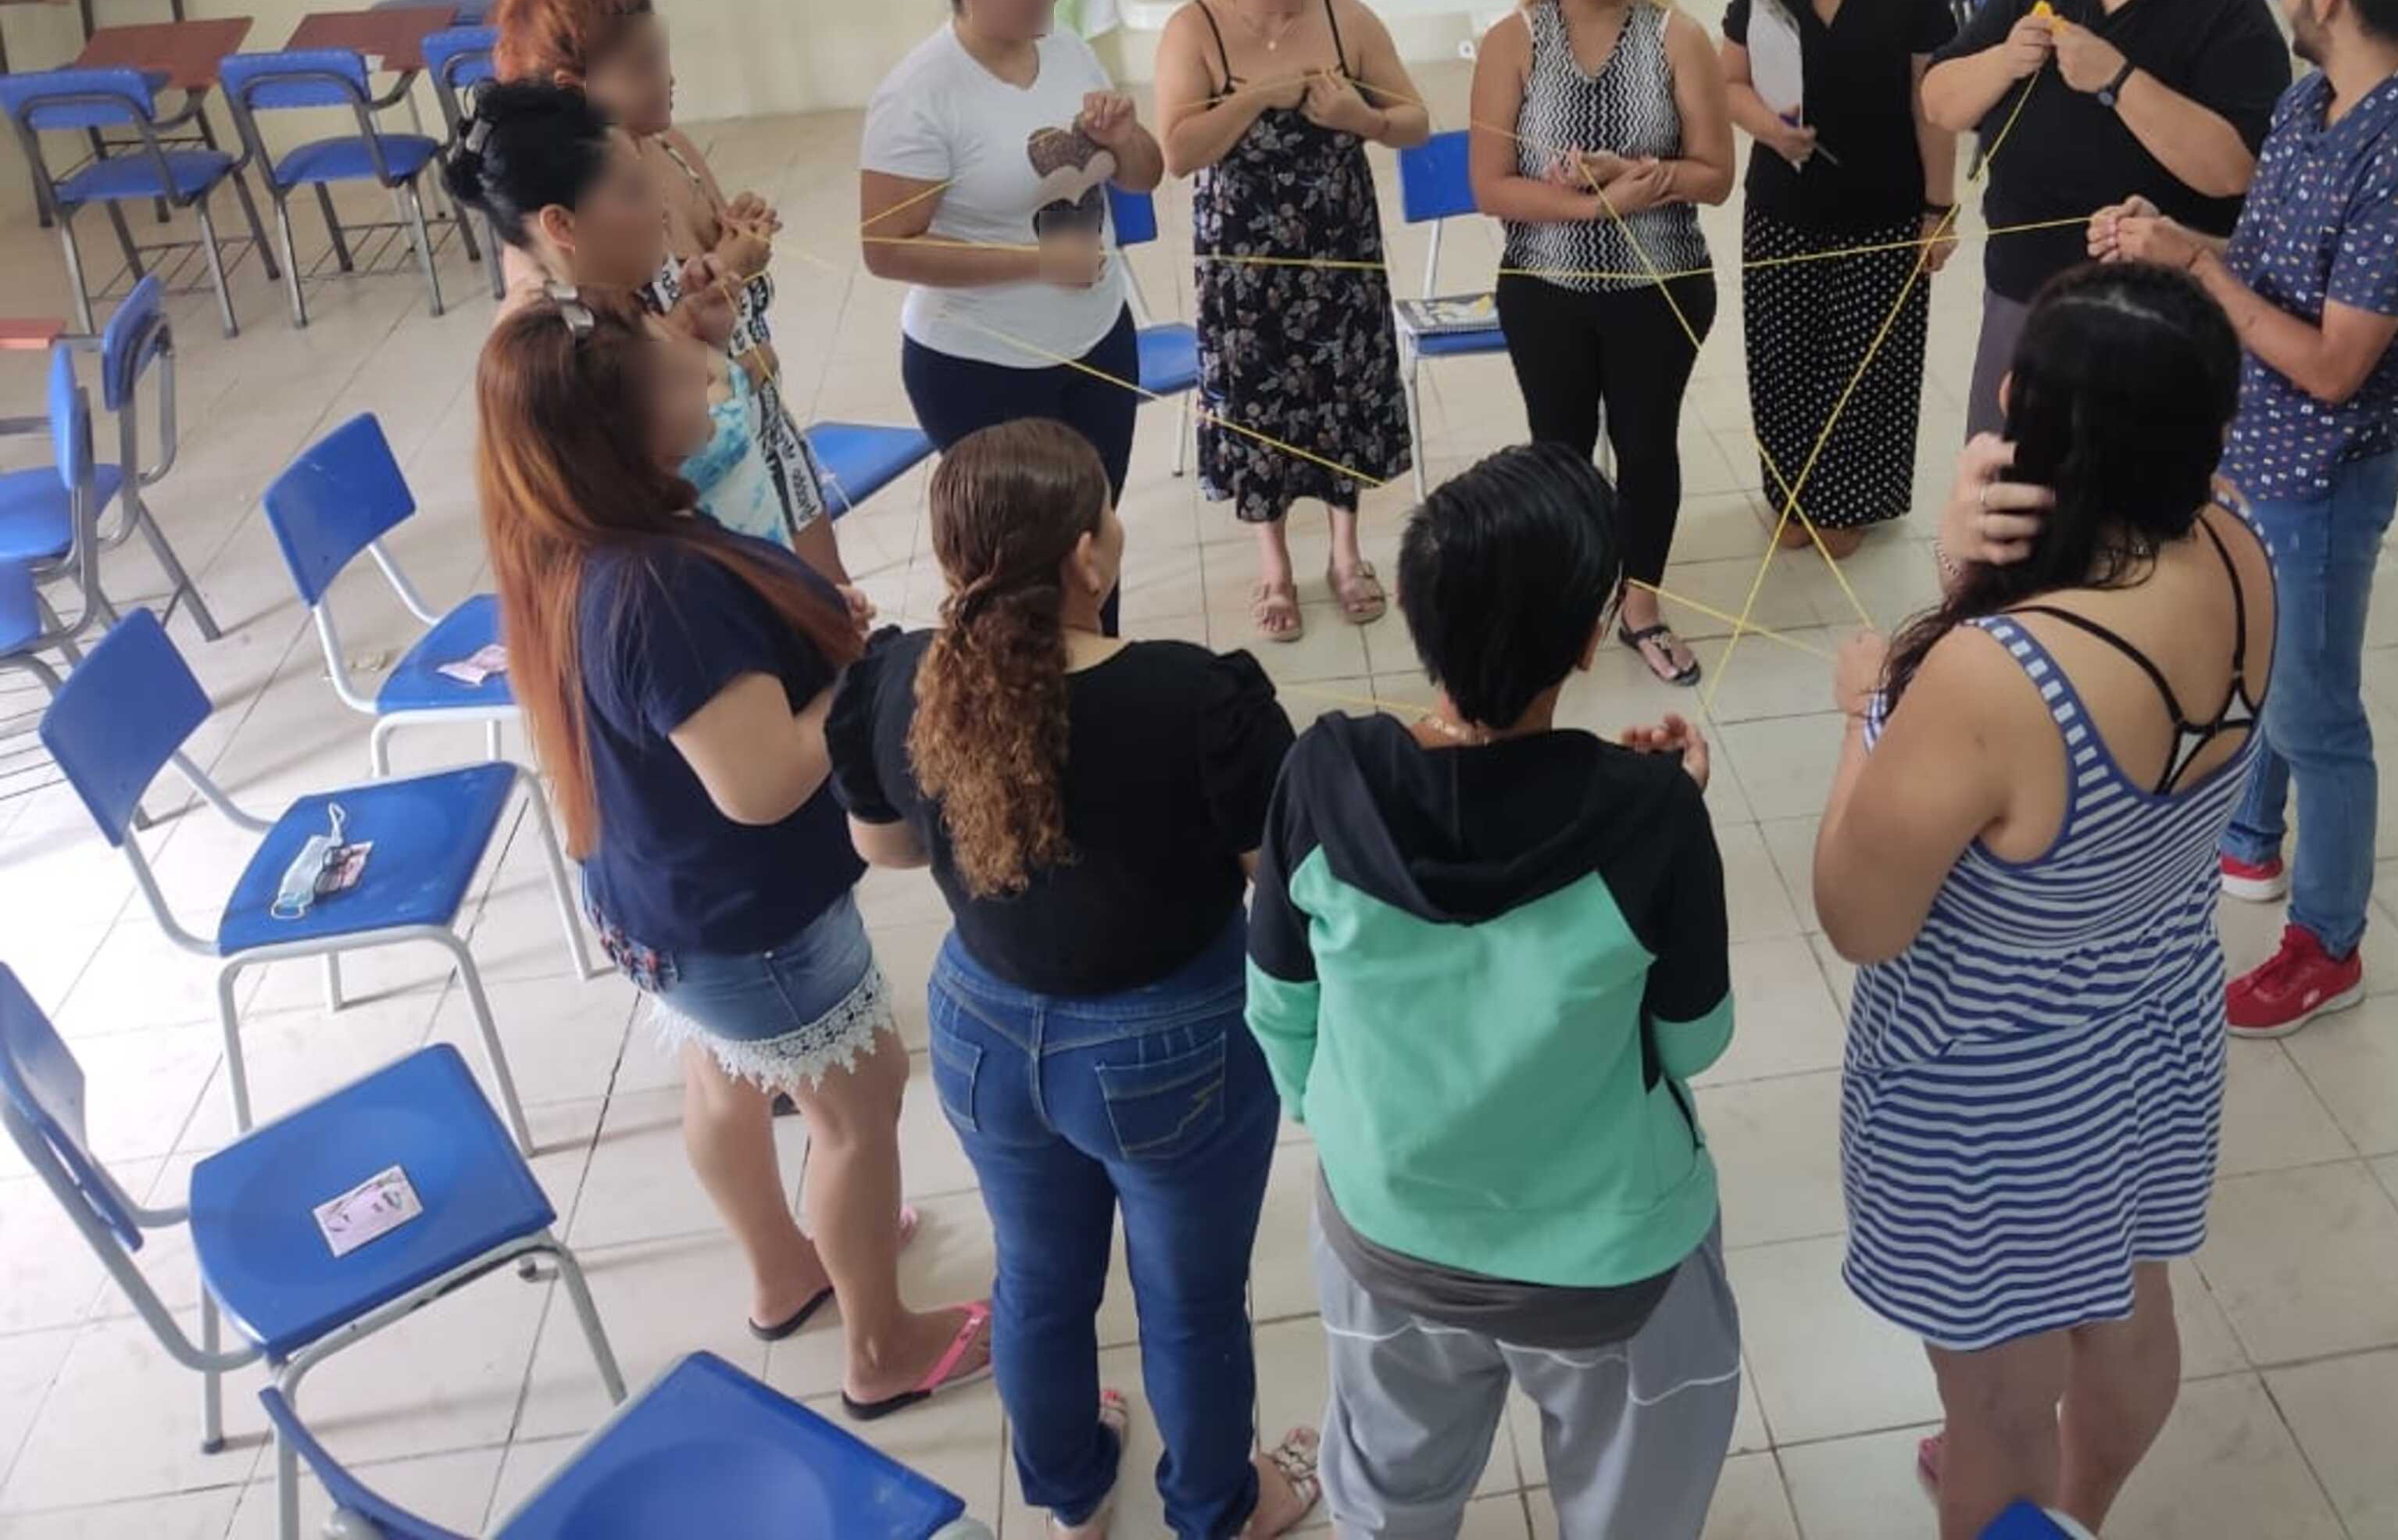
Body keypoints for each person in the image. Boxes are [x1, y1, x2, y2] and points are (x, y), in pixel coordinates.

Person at [1814, 263, 2272, 1539]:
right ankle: (2081, 1512)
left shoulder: (1994, 674)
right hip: (2155, 1022)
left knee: (1997, 1407)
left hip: (1995, 1088)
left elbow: (1863, 915)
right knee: (2130, 1304)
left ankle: (2030, 1504)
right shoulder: (2243, 546)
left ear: (2024, 421)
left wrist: (1871, 702)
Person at [474, 289, 991, 1420]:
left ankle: (785, 1267)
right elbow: (759, 784)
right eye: (672, 384)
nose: (704, 389)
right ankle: (881, 1343)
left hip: (657, 895)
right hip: (744, 907)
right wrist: (861, 670)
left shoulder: (570, 539)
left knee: (724, 1071)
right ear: (618, 432)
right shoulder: (657, 586)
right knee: (859, 1105)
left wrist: (805, 632)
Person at [829, 420, 1323, 1539]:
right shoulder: (1200, 699)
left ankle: (1069, 1495)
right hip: (1171, 1043)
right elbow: (1276, 877)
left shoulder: (900, 675)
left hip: (983, 1034)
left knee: (1040, 1280)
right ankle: (1215, 1509)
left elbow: (889, 848)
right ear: (1088, 559)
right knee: (1189, 1303)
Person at [1248, 443, 1742, 1540]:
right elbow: (1694, 1036)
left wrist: (1353, 1129)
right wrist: (1659, 807)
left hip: (1383, 1228)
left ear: (1419, 612)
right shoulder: (1648, 814)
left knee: (1389, 1494)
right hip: (1607, 1265)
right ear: (1585, 636)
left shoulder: (1324, 774)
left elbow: (1279, 1005)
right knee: (1632, 1506)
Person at [2090, 0, 2398, 1037]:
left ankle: (2327, 944)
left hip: (2321, 470)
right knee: (2255, 665)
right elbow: (2258, 261)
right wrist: (2174, 241)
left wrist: (2199, 272)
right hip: (2250, 445)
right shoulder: (2316, 106)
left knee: (2317, 712)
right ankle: (2249, 842)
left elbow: (2332, 364)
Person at [1921, 0, 2291, 439]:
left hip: (2152, 309)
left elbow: (2235, 170)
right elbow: (1938, 100)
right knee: (2008, 483)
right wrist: (2004, 60)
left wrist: (2118, 79)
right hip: (2025, 287)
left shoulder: (2226, 8)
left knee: (2125, 499)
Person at [861, 0, 1164, 627]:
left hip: (1097, 341)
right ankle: (1023, 722)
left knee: (1095, 544)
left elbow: (1147, 173)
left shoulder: (1065, 50)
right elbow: (886, 248)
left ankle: (1102, 687)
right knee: (1021, 577)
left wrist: (1125, 139)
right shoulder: (920, 95)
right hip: (981, 370)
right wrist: (1038, 264)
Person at [1470, 0, 1735, 686]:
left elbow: (1716, 175)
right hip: (1544, 288)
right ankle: (1568, 602)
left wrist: (1636, 175)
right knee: (1559, 451)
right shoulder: (1513, 40)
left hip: (1659, 285)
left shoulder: (1677, 36)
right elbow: (1491, 186)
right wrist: (1589, 206)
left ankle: (1640, 605)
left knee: (1645, 443)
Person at [492, 0, 844, 581]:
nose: (668, 79)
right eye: (644, 66)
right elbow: (619, 381)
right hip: (695, 491)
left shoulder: (668, 148)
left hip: (755, 429)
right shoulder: (555, 278)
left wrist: (737, 240)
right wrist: (720, 282)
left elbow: (711, 293)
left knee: (832, 609)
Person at [1154, 0, 1424, 642]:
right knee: (1256, 406)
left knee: (1342, 392)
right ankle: (1271, 563)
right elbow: (1177, 150)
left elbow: (1413, 121)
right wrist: (1254, 97)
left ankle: (1345, 551)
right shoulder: (1194, 31)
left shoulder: (1346, 20)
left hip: (1337, 251)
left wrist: (1358, 116)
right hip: (1243, 264)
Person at [1719, 0, 1960, 556]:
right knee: (1783, 358)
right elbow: (1728, 81)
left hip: (1883, 209)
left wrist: (1938, 209)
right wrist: (1766, 125)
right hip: (1783, 205)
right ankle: (1792, 492)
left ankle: (1847, 502)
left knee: (1866, 366)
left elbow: (1936, 106)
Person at [448, 78, 788, 546]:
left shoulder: (602, 301)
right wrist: (741, 365)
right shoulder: (560, 351)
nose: (662, 209)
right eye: (633, 192)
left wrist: (707, 337)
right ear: (561, 223)